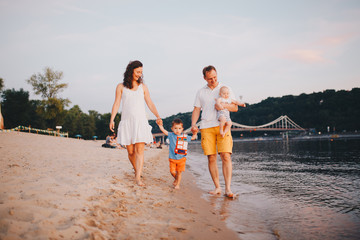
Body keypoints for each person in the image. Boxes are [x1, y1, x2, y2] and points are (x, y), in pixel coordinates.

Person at [109, 60, 162, 186]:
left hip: (140, 122)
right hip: (127, 122)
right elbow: (116, 104)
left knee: (139, 150)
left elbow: (150, 102)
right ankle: (137, 170)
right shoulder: (121, 87)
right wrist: (112, 119)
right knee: (130, 152)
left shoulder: (143, 87)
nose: (139, 74)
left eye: (141, 72)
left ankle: (138, 177)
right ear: (131, 70)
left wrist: (157, 115)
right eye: (138, 72)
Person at [191, 65, 238, 198]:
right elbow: (196, 109)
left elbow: (235, 108)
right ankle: (217, 187)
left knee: (226, 156)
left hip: (222, 125)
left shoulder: (225, 89)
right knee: (211, 157)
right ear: (205, 78)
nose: (213, 80)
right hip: (206, 127)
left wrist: (221, 105)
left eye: (215, 77)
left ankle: (228, 189)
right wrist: (193, 124)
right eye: (210, 78)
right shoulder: (200, 92)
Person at [158, 118, 198, 189]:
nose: (177, 130)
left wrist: (195, 133)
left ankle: (178, 184)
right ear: (172, 129)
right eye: (175, 128)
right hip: (172, 158)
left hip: (182, 159)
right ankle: (176, 179)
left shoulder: (184, 137)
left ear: (182, 129)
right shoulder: (171, 135)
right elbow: (164, 131)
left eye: (179, 128)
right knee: (172, 171)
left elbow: (193, 138)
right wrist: (160, 126)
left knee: (179, 172)